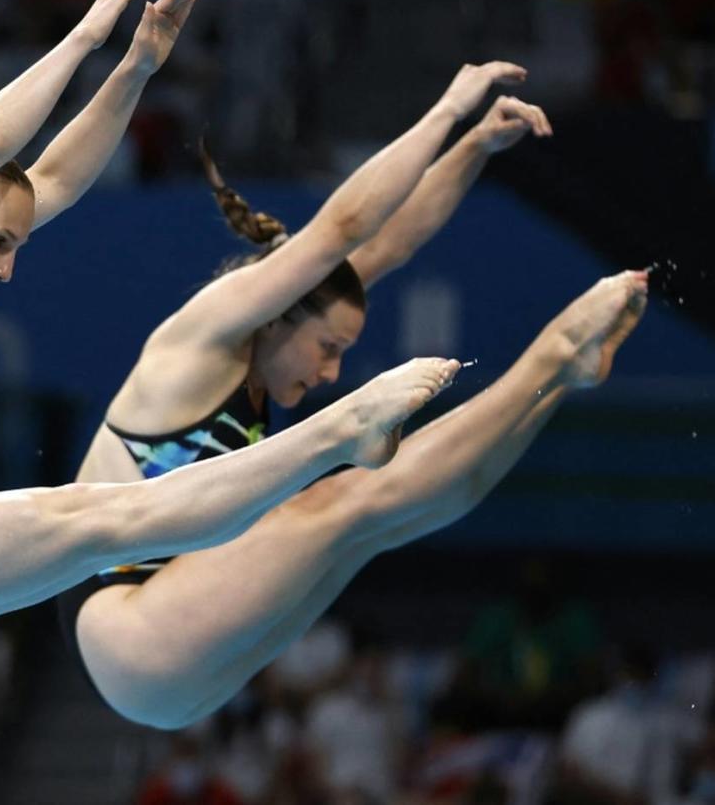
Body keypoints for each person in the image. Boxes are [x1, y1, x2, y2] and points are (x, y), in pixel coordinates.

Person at [0, 0, 457, 670]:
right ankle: (338, 437)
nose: (8, 268)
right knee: (99, 514)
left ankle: (329, 449)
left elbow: (50, 179)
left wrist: (136, 68)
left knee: (111, 526)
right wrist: (87, 34)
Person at [62, 58, 650, 728]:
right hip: (125, 624)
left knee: (373, 524)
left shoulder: (275, 339)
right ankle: (552, 357)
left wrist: (475, 147)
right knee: (342, 495)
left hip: (181, 646)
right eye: (329, 348)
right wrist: (448, 111)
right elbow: (341, 229)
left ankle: (554, 384)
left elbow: (388, 242)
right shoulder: (202, 336)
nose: (332, 373)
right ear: (280, 314)